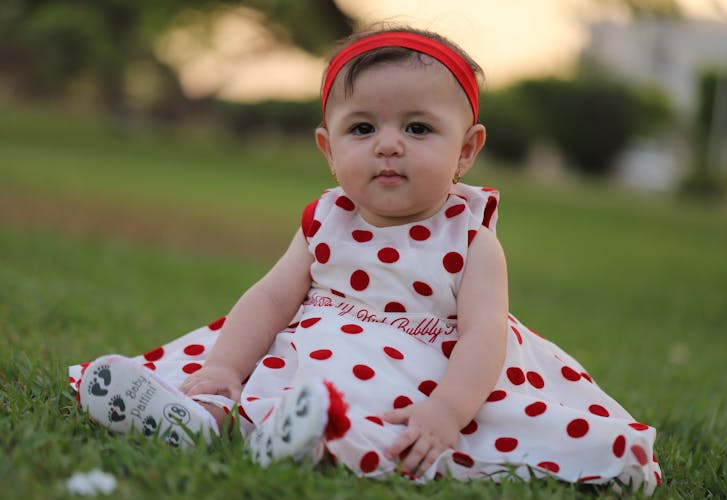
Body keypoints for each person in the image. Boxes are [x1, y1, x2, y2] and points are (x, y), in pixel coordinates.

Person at [69, 26, 662, 494]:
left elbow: (485, 336)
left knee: (383, 415)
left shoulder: (470, 238)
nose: (387, 143)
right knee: (250, 374)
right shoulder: (327, 219)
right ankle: (201, 412)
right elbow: (271, 299)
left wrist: (448, 411)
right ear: (329, 150)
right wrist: (224, 365)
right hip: (317, 348)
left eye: (418, 127)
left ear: (467, 151)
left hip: (423, 374)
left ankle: (308, 436)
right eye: (362, 127)